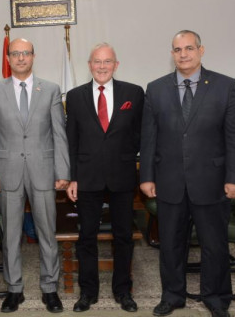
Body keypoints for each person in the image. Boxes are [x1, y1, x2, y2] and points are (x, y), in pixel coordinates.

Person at [139, 30, 235, 317]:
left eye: (189, 48)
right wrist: (147, 177)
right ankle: (172, 296)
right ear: (171, 54)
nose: (183, 54)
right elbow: (149, 138)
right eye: (177, 49)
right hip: (169, 182)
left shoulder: (225, 85)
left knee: (214, 245)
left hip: (213, 182)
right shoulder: (156, 88)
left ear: (201, 50)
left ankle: (216, 298)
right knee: (171, 245)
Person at [0, 38, 70, 313]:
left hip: (43, 171)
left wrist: (63, 171)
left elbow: (59, 134)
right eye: (15, 53)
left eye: (26, 53)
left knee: (47, 232)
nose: (21, 58)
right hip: (7, 172)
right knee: (11, 235)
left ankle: (50, 288)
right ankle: (14, 289)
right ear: (8, 58)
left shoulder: (51, 89)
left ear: (33, 56)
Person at [65, 43, 144, 313]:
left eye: (107, 61)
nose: (102, 66)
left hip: (122, 175)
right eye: (97, 61)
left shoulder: (133, 93)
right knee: (87, 236)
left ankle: (123, 291)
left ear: (116, 65)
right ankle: (88, 292)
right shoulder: (75, 96)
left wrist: (124, 154)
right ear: (89, 65)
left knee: (123, 236)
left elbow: (140, 133)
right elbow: (72, 140)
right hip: (87, 177)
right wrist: (72, 178)